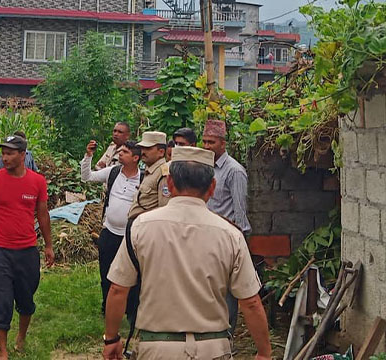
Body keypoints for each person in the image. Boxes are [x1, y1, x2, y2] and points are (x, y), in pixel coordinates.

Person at [102, 146, 272, 360]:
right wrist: (264, 353)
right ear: (212, 187)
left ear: (170, 184)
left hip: (157, 349)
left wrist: (112, 339)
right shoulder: (231, 235)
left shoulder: (140, 227)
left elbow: (118, 289)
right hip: (212, 349)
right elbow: (251, 302)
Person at [0, 135, 55, 360]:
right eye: (3, 153)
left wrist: (48, 245)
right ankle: (2, 351)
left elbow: (43, 214)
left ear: (23, 155)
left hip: (27, 250)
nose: (5, 157)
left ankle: (21, 336)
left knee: (26, 299)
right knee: (1, 299)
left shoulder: (37, 181)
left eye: (10, 153)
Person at [81, 139, 142, 321]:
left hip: (130, 237)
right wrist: (88, 157)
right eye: (120, 151)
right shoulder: (113, 172)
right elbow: (87, 177)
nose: (119, 153)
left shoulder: (144, 178)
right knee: (106, 272)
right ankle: (108, 308)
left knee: (132, 275)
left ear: (136, 158)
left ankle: (131, 311)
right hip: (109, 233)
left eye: (124, 152)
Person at [201, 119, 251, 332]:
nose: (206, 146)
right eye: (204, 142)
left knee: (228, 291)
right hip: (206, 236)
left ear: (223, 143)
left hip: (227, 239)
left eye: (211, 142)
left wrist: (238, 244)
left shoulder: (234, 171)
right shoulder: (206, 169)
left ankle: (227, 334)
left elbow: (240, 213)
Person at [126, 132, 171, 221]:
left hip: (146, 226)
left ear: (161, 152)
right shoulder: (150, 170)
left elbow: (164, 209)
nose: (142, 152)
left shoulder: (163, 173)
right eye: (142, 148)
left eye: (147, 148)